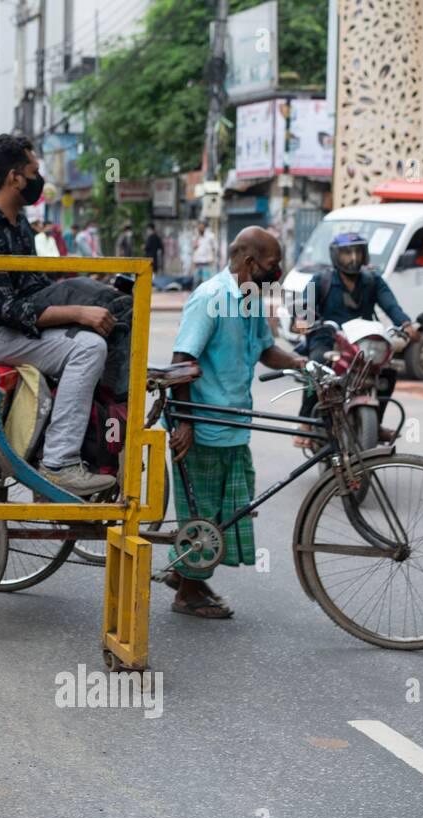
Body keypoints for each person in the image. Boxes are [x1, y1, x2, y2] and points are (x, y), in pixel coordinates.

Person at [0, 133, 123, 496]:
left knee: (109, 318)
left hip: (20, 331)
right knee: (87, 348)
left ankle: (96, 445)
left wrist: (83, 298)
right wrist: (77, 313)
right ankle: (59, 463)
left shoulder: (18, 224)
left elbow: (36, 287)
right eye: (34, 170)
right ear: (15, 177)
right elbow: (7, 309)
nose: (39, 178)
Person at [165, 227, 308, 619]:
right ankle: (188, 593)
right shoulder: (211, 298)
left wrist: (299, 363)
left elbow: (265, 349)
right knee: (206, 514)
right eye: (271, 266)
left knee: (227, 512)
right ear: (248, 262)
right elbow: (182, 362)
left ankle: (186, 575)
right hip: (205, 426)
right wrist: (185, 423)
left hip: (234, 424)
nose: (275, 275)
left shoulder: (251, 299)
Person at [293, 232, 419, 443]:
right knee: (316, 366)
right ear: (336, 256)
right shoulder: (321, 279)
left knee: (387, 372)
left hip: (362, 341)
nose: (353, 258)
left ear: (364, 255)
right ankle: (306, 420)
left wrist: (406, 324)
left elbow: (390, 305)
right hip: (328, 338)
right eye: (346, 254)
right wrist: (303, 320)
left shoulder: (373, 279)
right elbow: (304, 307)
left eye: (357, 252)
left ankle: (375, 424)